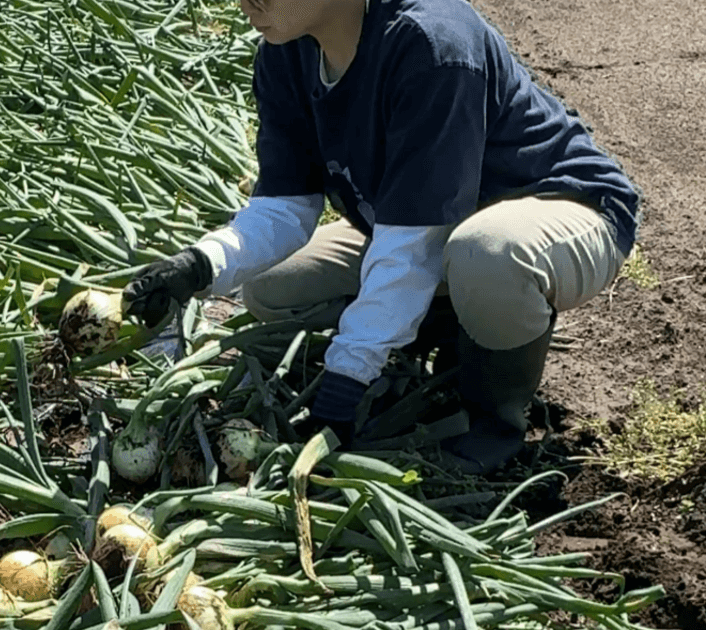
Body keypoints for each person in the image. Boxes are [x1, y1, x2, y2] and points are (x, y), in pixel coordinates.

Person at [121, 0, 641, 474]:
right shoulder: (287, 52)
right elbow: (284, 209)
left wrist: (345, 384)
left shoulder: (434, 44)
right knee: (270, 288)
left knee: (486, 254)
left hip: (563, 209)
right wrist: (197, 265)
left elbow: (413, 247)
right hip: (430, 231)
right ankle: (447, 320)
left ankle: (493, 422)